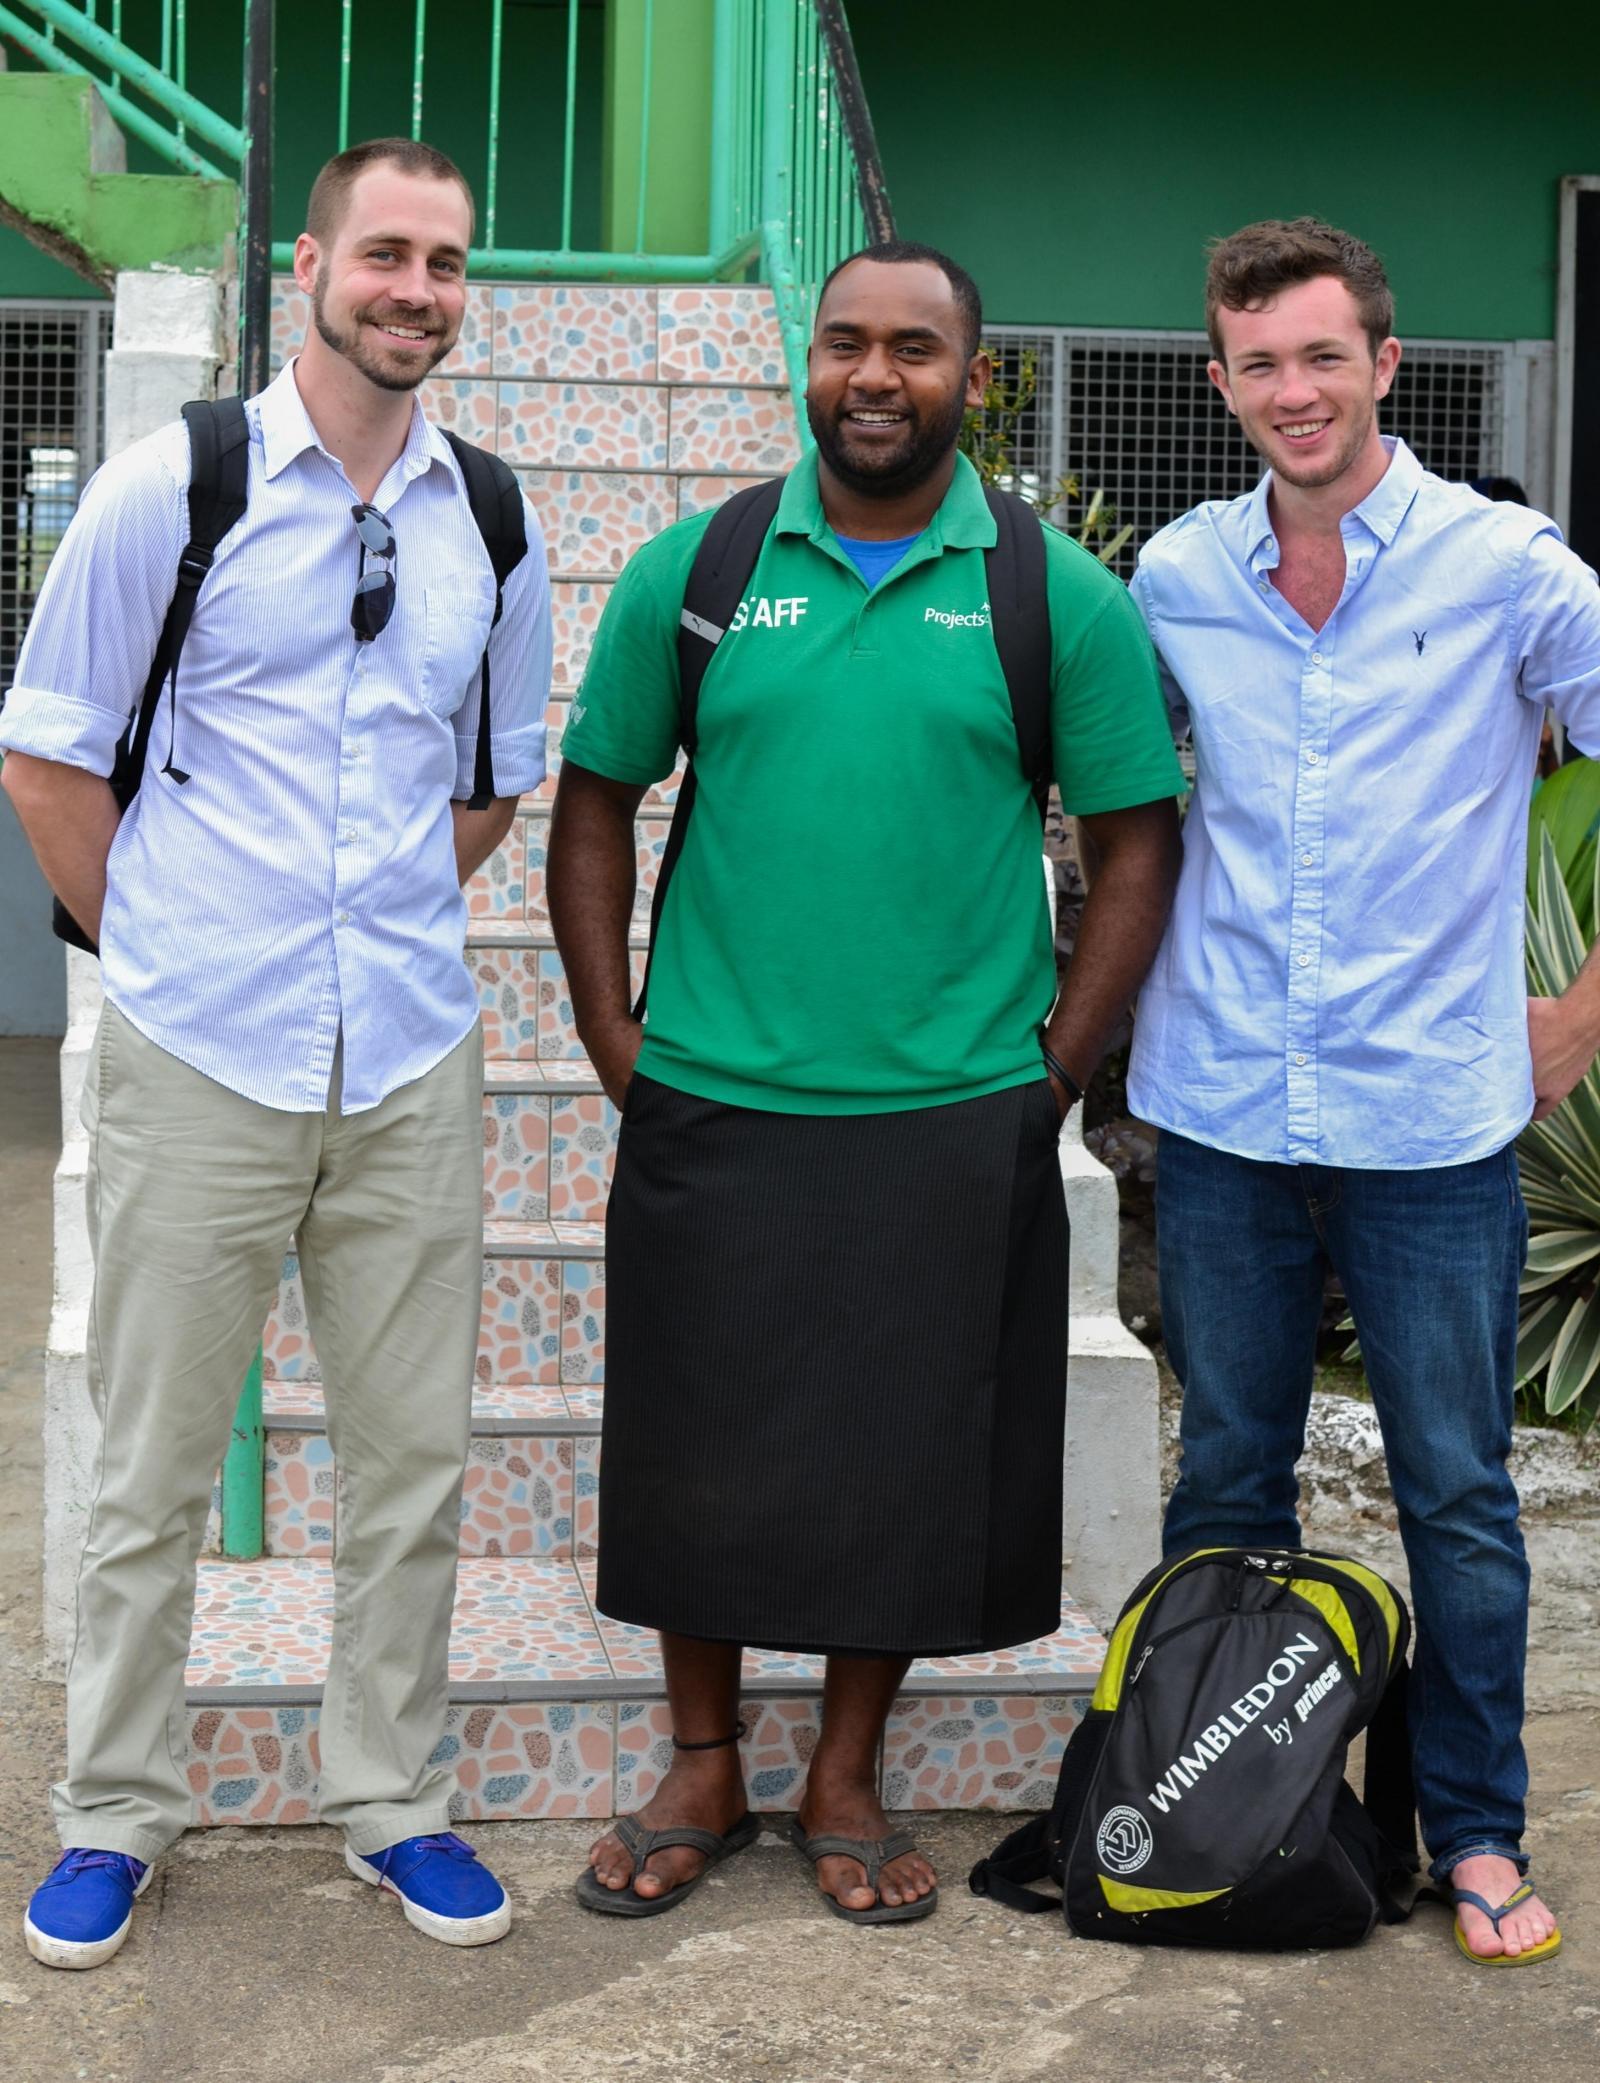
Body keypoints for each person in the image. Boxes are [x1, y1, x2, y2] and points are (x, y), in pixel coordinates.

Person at [548, 241, 1184, 1923]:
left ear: (972, 377)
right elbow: (596, 800)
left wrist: (1051, 1075)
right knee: (695, 1450)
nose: (875, 376)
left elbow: (1136, 846)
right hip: (716, 1097)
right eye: (846, 344)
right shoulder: (698, 571)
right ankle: (701, 1758)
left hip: (945, 1114)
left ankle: (843, 1771)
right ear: (808, 363)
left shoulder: (1057, 596)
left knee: (905, 1458)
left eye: (915, 348)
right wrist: (616, 1035)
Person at [2, 137, 552, 1968]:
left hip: (407, 1055)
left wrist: (369, 924)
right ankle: (113, 1817)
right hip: (198, 1049)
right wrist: (152, 947)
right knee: (150, 1469)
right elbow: (49, 757)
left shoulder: (492, 511)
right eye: (385, 253)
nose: (416, 289)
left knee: (411, 1465)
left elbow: (481, 789)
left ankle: (391, 1799)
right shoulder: (178, 485)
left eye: (447, 263)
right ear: (310, 261)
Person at [1128, 215, 1600, 1966]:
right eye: (1260, 364)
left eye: (1325, 356)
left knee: (1457, 1493)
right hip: (1228, 1102)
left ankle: (1476, 1835)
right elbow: (1108, 796)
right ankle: (1215, 1811)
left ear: (1387, 365)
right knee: (1228, 1477)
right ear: (1224, 382)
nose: (1295, 392)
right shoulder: (1177, 576)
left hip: (1431, 1120)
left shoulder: (1505, 568)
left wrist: (1584, 1007)